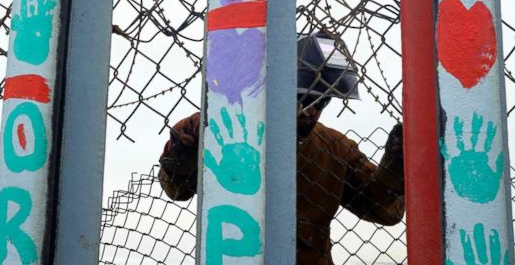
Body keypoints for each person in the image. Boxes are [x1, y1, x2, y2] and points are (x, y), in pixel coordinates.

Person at [158, 34, 405, 265]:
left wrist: (397, 160)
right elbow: (176, 190)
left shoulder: (334, 148)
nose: (311, 110)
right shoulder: (229, 128)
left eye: (321, 101)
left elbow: (384, 209)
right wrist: (182, 154)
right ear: (277, 91)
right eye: (302, 98)